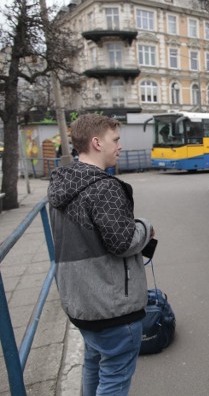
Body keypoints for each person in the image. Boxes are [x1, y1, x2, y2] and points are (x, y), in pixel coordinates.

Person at [48, 114, 155, 396]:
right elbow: (122, 242)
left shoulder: (61, 185)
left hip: (80, 303)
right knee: (115, 378)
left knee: (94, 363)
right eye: (115, 140)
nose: (120, 146)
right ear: (97, 142)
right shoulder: (104, 188)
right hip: (111, 307)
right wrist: (146, 227)